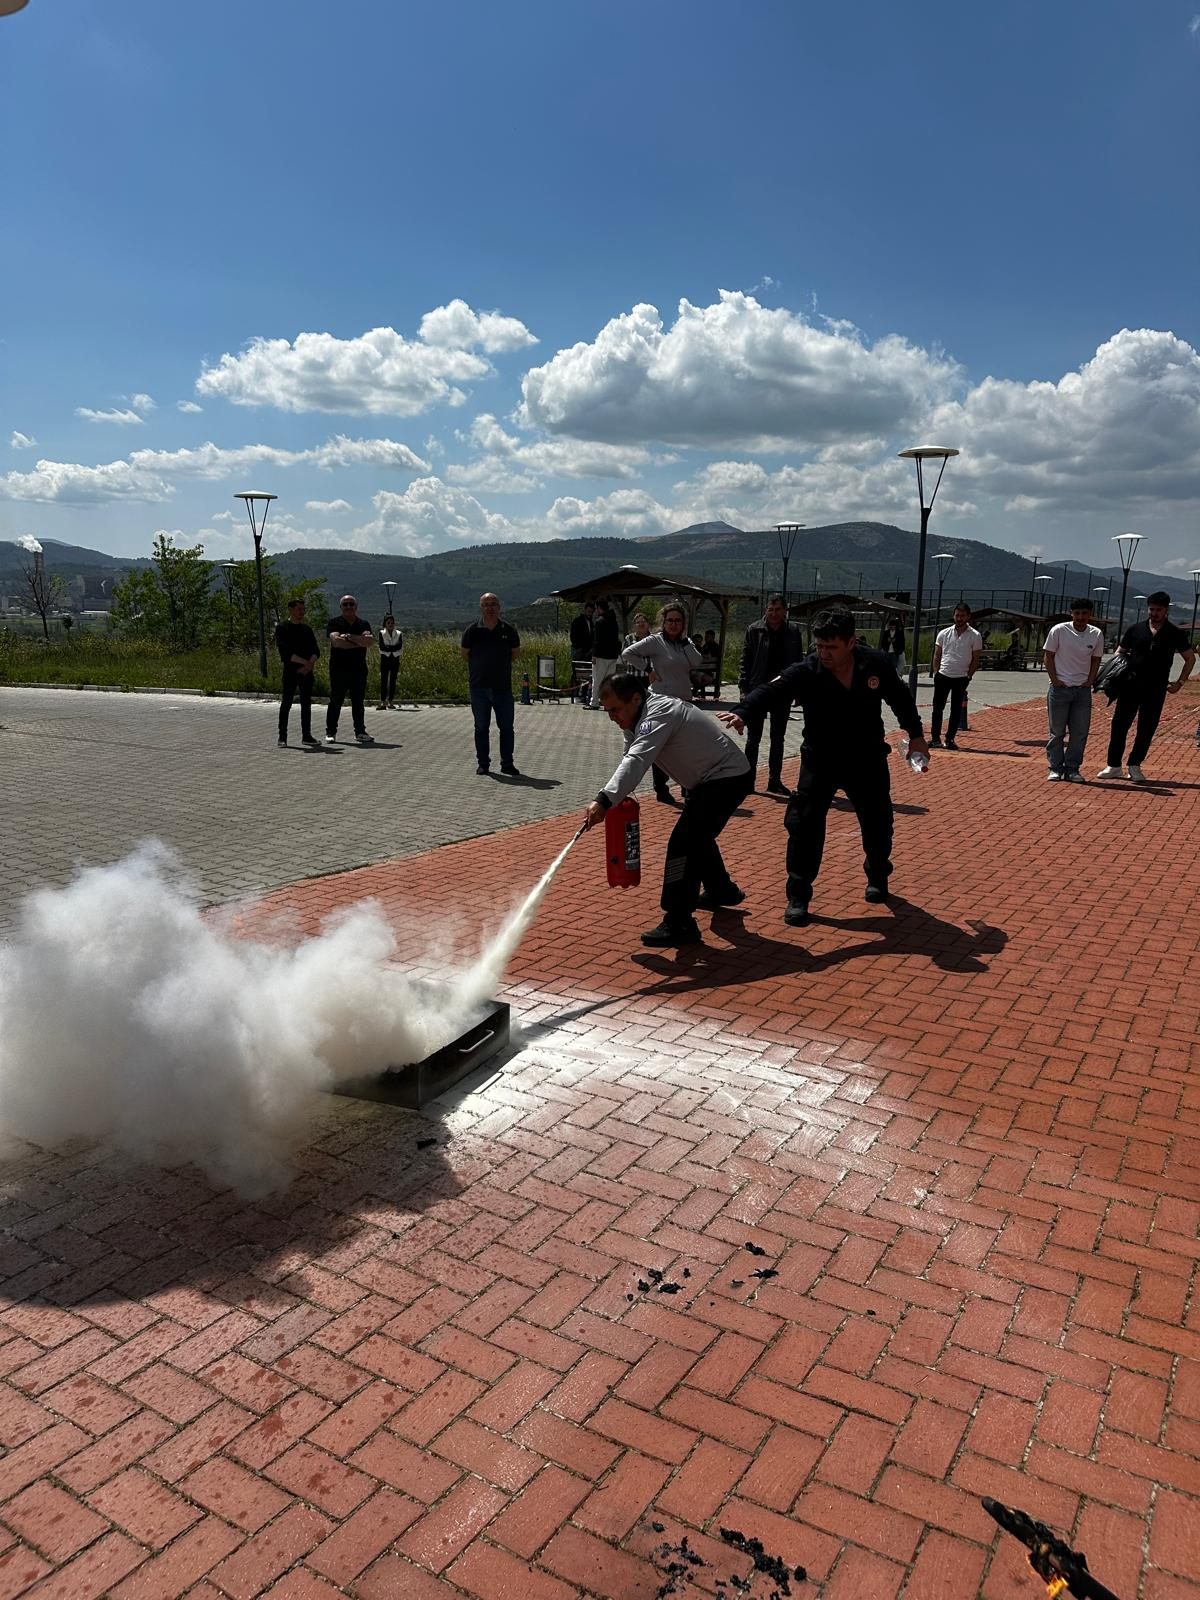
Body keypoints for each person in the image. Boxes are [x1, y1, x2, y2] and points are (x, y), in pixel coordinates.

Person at [721, 609, 927, 925]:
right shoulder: (808, 670)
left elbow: (900, 698)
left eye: (831, 647)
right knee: (804, 826)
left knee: (878, 824)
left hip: (866, 759)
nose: (823, 653)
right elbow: (772, 689)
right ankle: (799, 895)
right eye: (819, 645)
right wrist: (744, 712)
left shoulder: (875, 664)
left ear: (851, 642)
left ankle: (877, 873)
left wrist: (916, 736)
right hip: (821, 759)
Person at [582, 672, 751, 947]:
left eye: (615, 709)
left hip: (727, 778)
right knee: (698, 835)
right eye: (607, 710)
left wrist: (604, 799)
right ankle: (721, 890)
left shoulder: (658, 714)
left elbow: (638, 758)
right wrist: (620, 794)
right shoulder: (637, 716)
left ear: (636, 698)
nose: (611, 716)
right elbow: (631, 756)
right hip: (709, 781)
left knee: (684, 843)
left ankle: (679, 920)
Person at [1098, 591, 1195, 782]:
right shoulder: (1135, 629)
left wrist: (1180, 682)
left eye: (1158, 610)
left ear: (1166, 610)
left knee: (1147, 728)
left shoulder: (1175, 633)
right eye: (1151, 609)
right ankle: (1113, 765)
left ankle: (1134, 765)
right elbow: (1120, 652)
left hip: (1156, 688)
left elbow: (1190, 658)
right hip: (1130, 686)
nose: (1154, 613)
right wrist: (1112, 675)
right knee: (1119, 725)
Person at [619, 600, 703, 804]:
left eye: (678, 621)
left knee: (686, 747)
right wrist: (648, 671)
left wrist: (685, 643)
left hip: (684, 701)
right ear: (663, 622)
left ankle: (687, 785)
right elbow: (628, 653)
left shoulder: (686, 644)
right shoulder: (655, 641)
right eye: (670, 620)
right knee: (662, 745)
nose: (673, 624)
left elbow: (697, 661)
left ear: (683, 624)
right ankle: (661, 788)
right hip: (662, 700)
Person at [738, 594, 805, 793]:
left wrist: (798, 690)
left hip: (783, 689)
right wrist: (743, 688)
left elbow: (798, 663)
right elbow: (745, 660)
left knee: (778, 738)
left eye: (777, 610)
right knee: (753, 738)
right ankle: (748, 782)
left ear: (785, 611)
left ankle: (774, 780)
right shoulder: (754, 629)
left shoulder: (793, 631)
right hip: (758, 688)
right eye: (770, 609)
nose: (773, 613)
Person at [1043, 598, 1104, 782]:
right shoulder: (1059, 630)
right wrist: (1055, 679)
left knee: (1079, 733)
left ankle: (1072, 769)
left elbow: (1096, 659)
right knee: (1057, 732)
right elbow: (1049, 655)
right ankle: (1055, 767)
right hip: (1060, 689)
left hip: (1082, 691)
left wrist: (1090, 680)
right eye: (1077, 613)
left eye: (1084, 613)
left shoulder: (1096, 634)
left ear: (1090, 615)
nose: (1080, 617)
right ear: (1071, 613)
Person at [461, 592, 521, 776]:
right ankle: (483, 763)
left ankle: (507, 764)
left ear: (499, 607)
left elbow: (515, 654)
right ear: (481, 608)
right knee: (481, 727)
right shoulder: (472, 630)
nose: (490, 607)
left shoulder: (508, 630)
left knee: (507, 728)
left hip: (503, 688)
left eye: (493, 603)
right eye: (486, 604)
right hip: (479, 688)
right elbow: (465, 654)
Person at [929, 602, 982, 749]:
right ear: (953, 616)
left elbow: (976, 658)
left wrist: (969, 676)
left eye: (962, 616)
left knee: (956, 710)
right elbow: (937, 654)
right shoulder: (944, 633)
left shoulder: (975, 636)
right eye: (957, 615)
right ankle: (935, 738)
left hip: (961, 677)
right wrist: (936, 672)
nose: (959, 618)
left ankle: (950, 739)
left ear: (968, 617)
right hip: (943, 675)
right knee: (937, 708)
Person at [324, 595, 374, 745]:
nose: (348, 606)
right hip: (338, 669)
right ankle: (330, 732)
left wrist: (349, 637)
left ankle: (360, 732)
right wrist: (358, 642)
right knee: (336, 701)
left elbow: (369, 641)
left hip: (358, 670)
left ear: (356, 607)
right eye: (345, 604)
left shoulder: (363, 623)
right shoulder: (334, 623)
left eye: (351, 604)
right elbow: (336, 642)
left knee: (358, 702)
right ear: (341, 607)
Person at [275, 596, 320, 748]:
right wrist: (305, 663)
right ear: (291, 609)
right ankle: (282, 737)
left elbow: (315, 650)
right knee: (286, 703)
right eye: (299, 609)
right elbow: (286, 653)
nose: (302, 612)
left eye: (303, 609)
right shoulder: (282, 628)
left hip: (306, 672)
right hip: (290, 671)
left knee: (306, 704)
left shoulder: (306, 629)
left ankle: (306, 736)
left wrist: (309, 665)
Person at [590, 598, 621, 710]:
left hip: (601, 655)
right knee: (609, 682)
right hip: (612, 655)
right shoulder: (614, 621)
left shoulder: (599, 621)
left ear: (599, 608)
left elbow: (597, 640)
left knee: (597, 680)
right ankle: (609, 703)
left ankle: (594, 702)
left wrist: (594, 654)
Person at [377, 614, 403, 709]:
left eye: (392, 622)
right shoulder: (381, 633)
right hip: (385, 659)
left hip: (395, 659)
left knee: (393, 680)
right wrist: (392, 648)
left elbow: (399, 646)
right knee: (384, 680)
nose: (390, 624)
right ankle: (383, 701)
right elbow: (381, 647)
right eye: (388, 623)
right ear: (385, 624)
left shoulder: (399, 633)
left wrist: (389, 648)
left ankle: (390, 701)